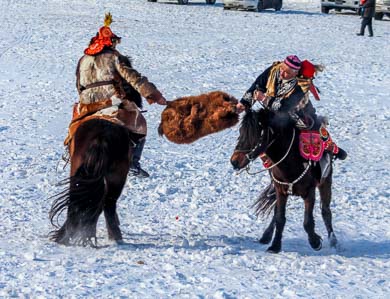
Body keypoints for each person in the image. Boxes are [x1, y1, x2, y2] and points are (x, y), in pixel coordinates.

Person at [236, 55, 347, 198]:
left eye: (287, 72)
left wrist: (264, 98)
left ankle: (333, 148)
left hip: (296, 112)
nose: (282, 73)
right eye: (282, 69)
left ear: (295, 73)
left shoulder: (301, 84)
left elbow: (285, 107)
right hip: (271, 112)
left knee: (315, 127)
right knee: (257, 132)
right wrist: (243, 104)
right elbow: (256, 86)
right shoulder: (273, 70)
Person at [74, 13, 167, 178]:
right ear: (110, 43)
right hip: (110, 99)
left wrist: (86, 98)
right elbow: (133, 78)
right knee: (140, 125)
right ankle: (132, 164)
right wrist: (153, 94)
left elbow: (79, 85)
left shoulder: (83, 59)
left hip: (87, 103)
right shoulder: (114, 57)